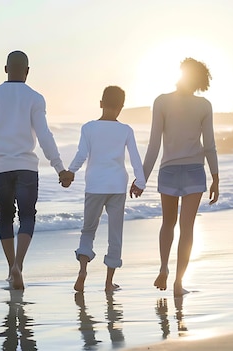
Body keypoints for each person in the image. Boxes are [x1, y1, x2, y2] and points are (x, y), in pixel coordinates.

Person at [0, 50, 72, 290]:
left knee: (5, 216)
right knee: (27, 215)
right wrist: (59, 167)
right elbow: (45, 135)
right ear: (27, 71)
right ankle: (19, 266)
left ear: (5, 69)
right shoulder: (35, 98)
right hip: (26, 167)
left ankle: (10, 265)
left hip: (0, 167)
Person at [132, 57, 219, 297]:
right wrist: (215, 177)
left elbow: (153, 145)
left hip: (168, 171)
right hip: (194, 171)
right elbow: (209, 145)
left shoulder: (161, 101)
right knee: (187, 228)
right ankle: (179, 283)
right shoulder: (204, 105)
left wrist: (142, 179)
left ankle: (163, 268)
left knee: (167, 224)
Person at [65, 86, 146, 292]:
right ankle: (109, 282)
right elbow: (135, 158)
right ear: (121, 107)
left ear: (101, 103)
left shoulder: (88, 128)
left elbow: (81, 155)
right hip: (117, 186)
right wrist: (141, 181)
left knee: (88, 229)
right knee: (115, 234)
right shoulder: (126, 130)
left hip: (95, 185)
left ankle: (83, 270)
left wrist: (70, 172)